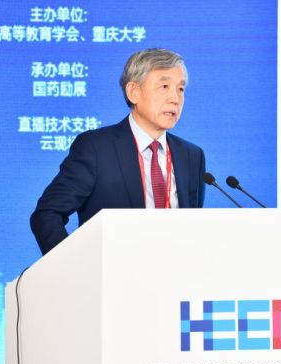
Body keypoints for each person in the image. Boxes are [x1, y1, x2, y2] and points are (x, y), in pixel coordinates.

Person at [30, 48, 206, 255]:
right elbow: (47, 214)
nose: (175, 98)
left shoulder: (192, 156)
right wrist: (71, 264)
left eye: (181, 89)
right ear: (134, 92)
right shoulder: (96, 148)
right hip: (112, 271)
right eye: (164, 87)